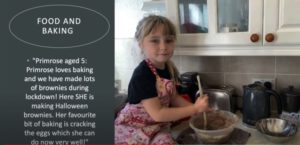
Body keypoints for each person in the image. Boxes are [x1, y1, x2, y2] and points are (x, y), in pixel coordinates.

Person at [114, 15, 209, 144]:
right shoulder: (142, 74)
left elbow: (174, 98)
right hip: (132, 129)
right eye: (155, 40)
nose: (163, 47)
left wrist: (197, 108)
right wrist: (194, 109)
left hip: (156, 128)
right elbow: (158, 113)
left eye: (169, 40)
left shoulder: (168, 68)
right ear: (141, 44)